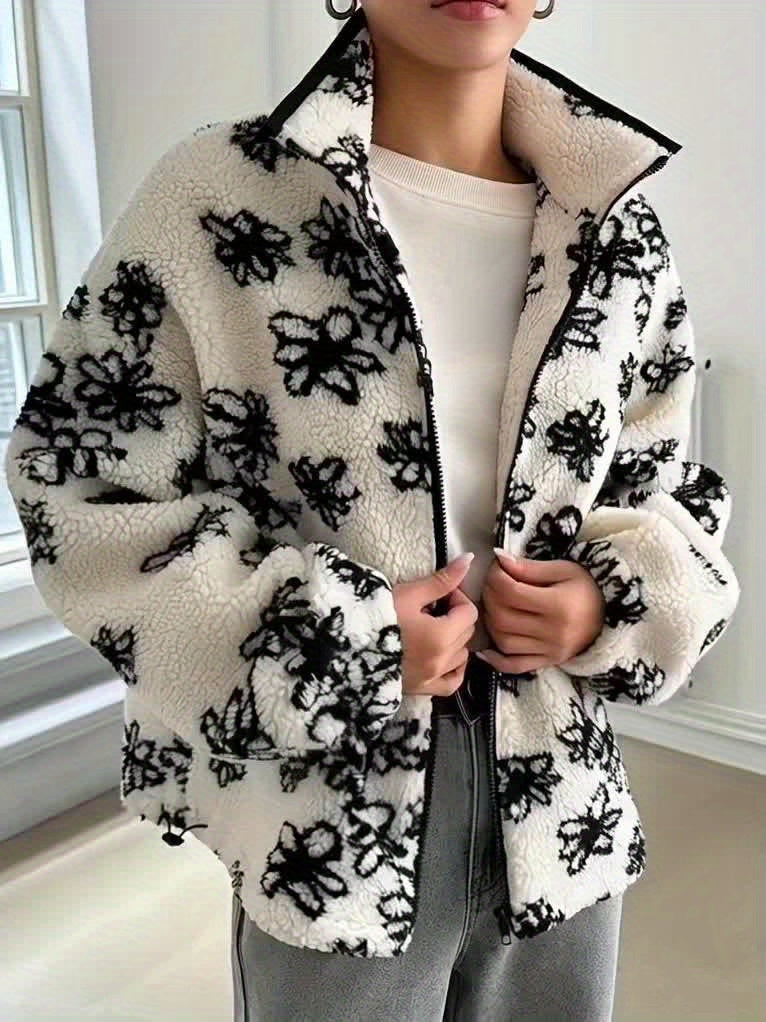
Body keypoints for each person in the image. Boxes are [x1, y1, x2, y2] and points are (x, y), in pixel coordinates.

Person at [4, 0, 740, 1019]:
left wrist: (607, 599)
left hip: (562, 809)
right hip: (329, 825)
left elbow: (664, 483)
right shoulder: (221, 197)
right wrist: (340, 640)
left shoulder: (614, 225)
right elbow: (83, 484)